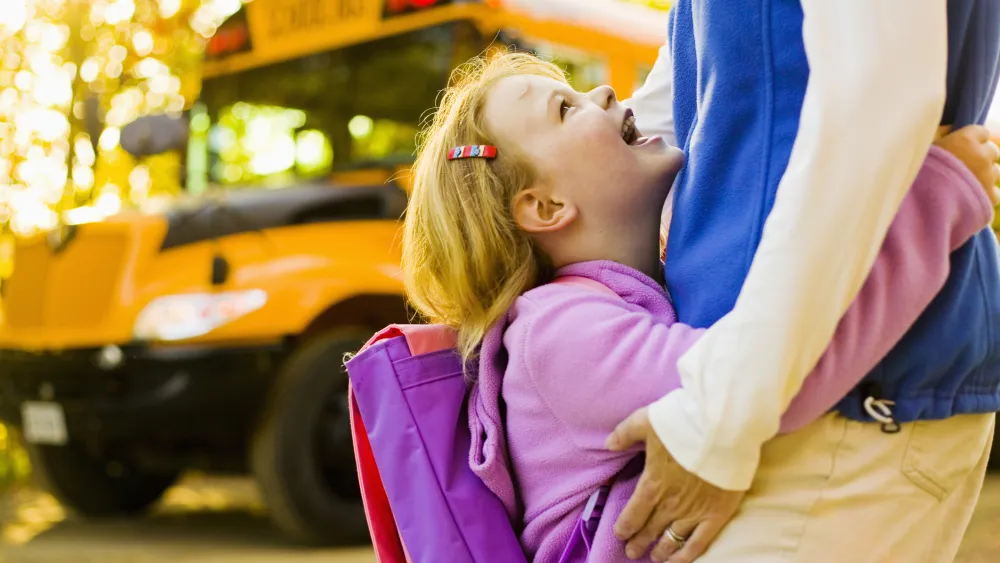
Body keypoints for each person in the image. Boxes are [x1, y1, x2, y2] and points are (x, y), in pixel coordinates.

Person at [400, 51, 1000, 562]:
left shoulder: (617, 302)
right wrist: (938, 201)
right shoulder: (560, 336)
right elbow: (774, 373)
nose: (605, 90)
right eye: (565, 108)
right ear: (547, 208)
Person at [606, 1, 1000, 561]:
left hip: (847, 395)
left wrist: (715, 424)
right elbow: (682, 103)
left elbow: (878, 94)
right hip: (757, 394)